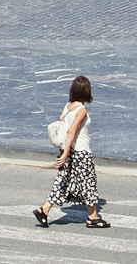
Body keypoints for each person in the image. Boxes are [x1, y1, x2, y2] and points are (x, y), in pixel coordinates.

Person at [33, 76, 108, 229]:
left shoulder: (69, 106)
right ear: (86, 91)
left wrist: (65, 152)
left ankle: (44, 209)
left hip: (70, 151)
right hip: (80, 152)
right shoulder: (81, 110)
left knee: (63, 183)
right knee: (89, 184)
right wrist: (66, 153)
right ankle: (93, 216)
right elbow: (71, 131)